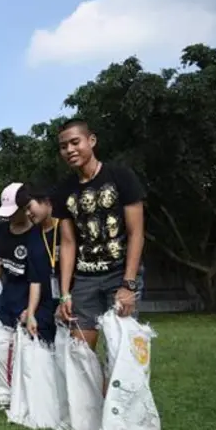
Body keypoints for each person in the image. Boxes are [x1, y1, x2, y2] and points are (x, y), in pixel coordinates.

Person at [54, 118, 145, 350]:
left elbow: (136, 233)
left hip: (119, 274)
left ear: (91, 140)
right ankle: (90, 389)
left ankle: (116, 388)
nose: (70, 150)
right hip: (85, 279)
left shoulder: (120, 176)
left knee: (122, 353)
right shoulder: (64, 190)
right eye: (64, 146)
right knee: (80, 353)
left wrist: (129, 284)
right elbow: (67, 243)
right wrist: (65, 294)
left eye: (75, 142)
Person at [0, 183, 36, 334]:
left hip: (30, 295)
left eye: (14, 212)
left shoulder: (37, 232)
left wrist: (31, 309)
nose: (10, 216)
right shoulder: (1, 230)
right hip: (8, 294)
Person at [17, 183, 61, 343]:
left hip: (72, 299)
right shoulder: (33, 235)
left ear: (46, 201)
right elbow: (34, 279)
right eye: (24, 210)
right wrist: (30, 313)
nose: (28, 213)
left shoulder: (66, 226)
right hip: (47, 302)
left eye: (30, 207)